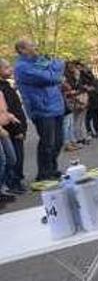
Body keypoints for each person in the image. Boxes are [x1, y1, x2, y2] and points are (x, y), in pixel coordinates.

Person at [14, 40, 65, 182]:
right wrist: (53, 70)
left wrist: (52, 68)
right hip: (41, 108)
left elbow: (60, 63)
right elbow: (50, 77)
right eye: (31, 45)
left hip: (56, 106)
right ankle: (43, 174)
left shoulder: (39, 61)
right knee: (47, 142)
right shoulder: (22, 67)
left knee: (58, 141)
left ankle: (52, 169)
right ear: (22, 50)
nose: (35, 47)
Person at [0, 59, 27, 194]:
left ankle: (15, 181)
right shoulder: (3, 88)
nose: (10, 69)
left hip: (15, 125)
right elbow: (8, 110)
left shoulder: (7, 86)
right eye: (6, 67)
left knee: (16, 156)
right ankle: (13, 182)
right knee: (14, 157)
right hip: (11, 129)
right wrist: (17, 129)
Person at [0, 87, 21, 201]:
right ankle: (2, 190)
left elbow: (3, 109)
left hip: (4, 127)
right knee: (2, 160)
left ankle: (5, 185)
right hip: (1, 130)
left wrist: (10, 116)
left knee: (11, 158)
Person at [82, 67, 98, 138]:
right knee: (89, 116)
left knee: (96, 115)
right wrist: (89, 88)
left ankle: (97, 129)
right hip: (90, 99)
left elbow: (96, 86)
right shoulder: (83, 77)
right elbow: (85, 87)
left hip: (96, 98)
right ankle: (89, 131)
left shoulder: (92, 76)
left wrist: (94, 88)